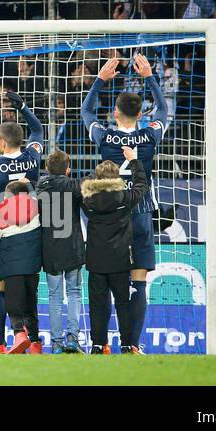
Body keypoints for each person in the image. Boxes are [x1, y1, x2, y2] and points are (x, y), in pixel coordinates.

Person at [82, 53, 169, 354]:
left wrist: (100, 80)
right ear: (141, 114)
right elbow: (165, 110)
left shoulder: (105, 137)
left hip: (110, 216)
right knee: (138, 282)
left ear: (116, 113)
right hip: (141, 213)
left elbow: (86, 112)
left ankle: (99, 343)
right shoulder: (150, 136)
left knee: (105, 282)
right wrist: (149, 78)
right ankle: (131, 344)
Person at [0, 91, 45, 352]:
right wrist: (24, 108)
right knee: (29, 290)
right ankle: (35, 340)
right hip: (30, 232)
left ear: (3, 142)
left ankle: (1, 344)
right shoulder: (33, 158)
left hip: (1, 232)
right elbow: (38, 131)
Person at [81, 149, 149, 354]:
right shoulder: (126, 197)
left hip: (95, 260)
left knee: (97, 305)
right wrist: (134, 161)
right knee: (123, 304)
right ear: (117, 177)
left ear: (97, 178)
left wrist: (94, 181)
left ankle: (97, 345)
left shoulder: (87, 200)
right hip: (120, 260)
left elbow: (82, 185)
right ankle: (127, 344)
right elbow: (142, 185)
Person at [36, 150, 86, 354]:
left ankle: (56, 343)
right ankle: (73, 338)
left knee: (54, 296)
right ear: (68, 169)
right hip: (72, 247)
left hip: (50, 248)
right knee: (74, 293)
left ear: (47, 168)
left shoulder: (40, 186)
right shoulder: (73, 185)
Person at [0, 180, 43, 353]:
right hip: (32, 266)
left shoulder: (2, 210)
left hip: (11, 267)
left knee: (13, 302)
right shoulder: (36, 205)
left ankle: (19, 334)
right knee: (30, 303)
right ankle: (35, 342)